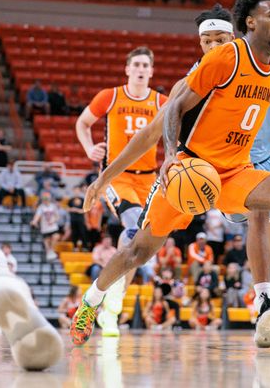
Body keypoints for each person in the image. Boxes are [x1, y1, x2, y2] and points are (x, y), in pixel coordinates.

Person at [72, 0, 270, 347]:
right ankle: (91, 301)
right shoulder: (222, 61)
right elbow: (166, 115)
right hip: (191, 170)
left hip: (235, 172)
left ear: (232, 32)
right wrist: (156, 160)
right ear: (248, 23)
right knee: (138, 251)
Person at [74, 46, 168, 337]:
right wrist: (90, 149)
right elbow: (83, 123)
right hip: (116, 176)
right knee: (132, 225)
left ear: (151, 71)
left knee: (139, 248)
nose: (140, 69)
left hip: (149, 179)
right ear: (127, 69)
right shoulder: (110, 96)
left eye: (145, 65)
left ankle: (112, 310)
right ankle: (110, 303)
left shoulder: (161, 102)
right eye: (136, 64)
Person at [30, 191, 61, 261]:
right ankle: (48, 253)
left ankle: (51, 250)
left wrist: (53, 221)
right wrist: (34, 221)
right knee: (46, 241)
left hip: (53, 226)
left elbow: (57, 216)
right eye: (44, 199)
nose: (45, 201)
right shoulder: (41, 207)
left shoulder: (53, 206)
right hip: (45, 228)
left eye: (46, 199)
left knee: (56, 236)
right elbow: (37, 216)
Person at [67, 186, 89, 251]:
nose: (76, 192)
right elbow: (68, 209)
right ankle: (74, 247)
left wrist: (76, 210)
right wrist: (72, 209)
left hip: (80, 219)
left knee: (82, 232)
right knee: (74, 233)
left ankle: (85, 247)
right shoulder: (70, 200)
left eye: (77, 190)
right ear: (73, 191)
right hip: (73, 219)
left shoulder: (82, 200)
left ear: (79, 191)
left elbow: (84, 210)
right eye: (75, 190)